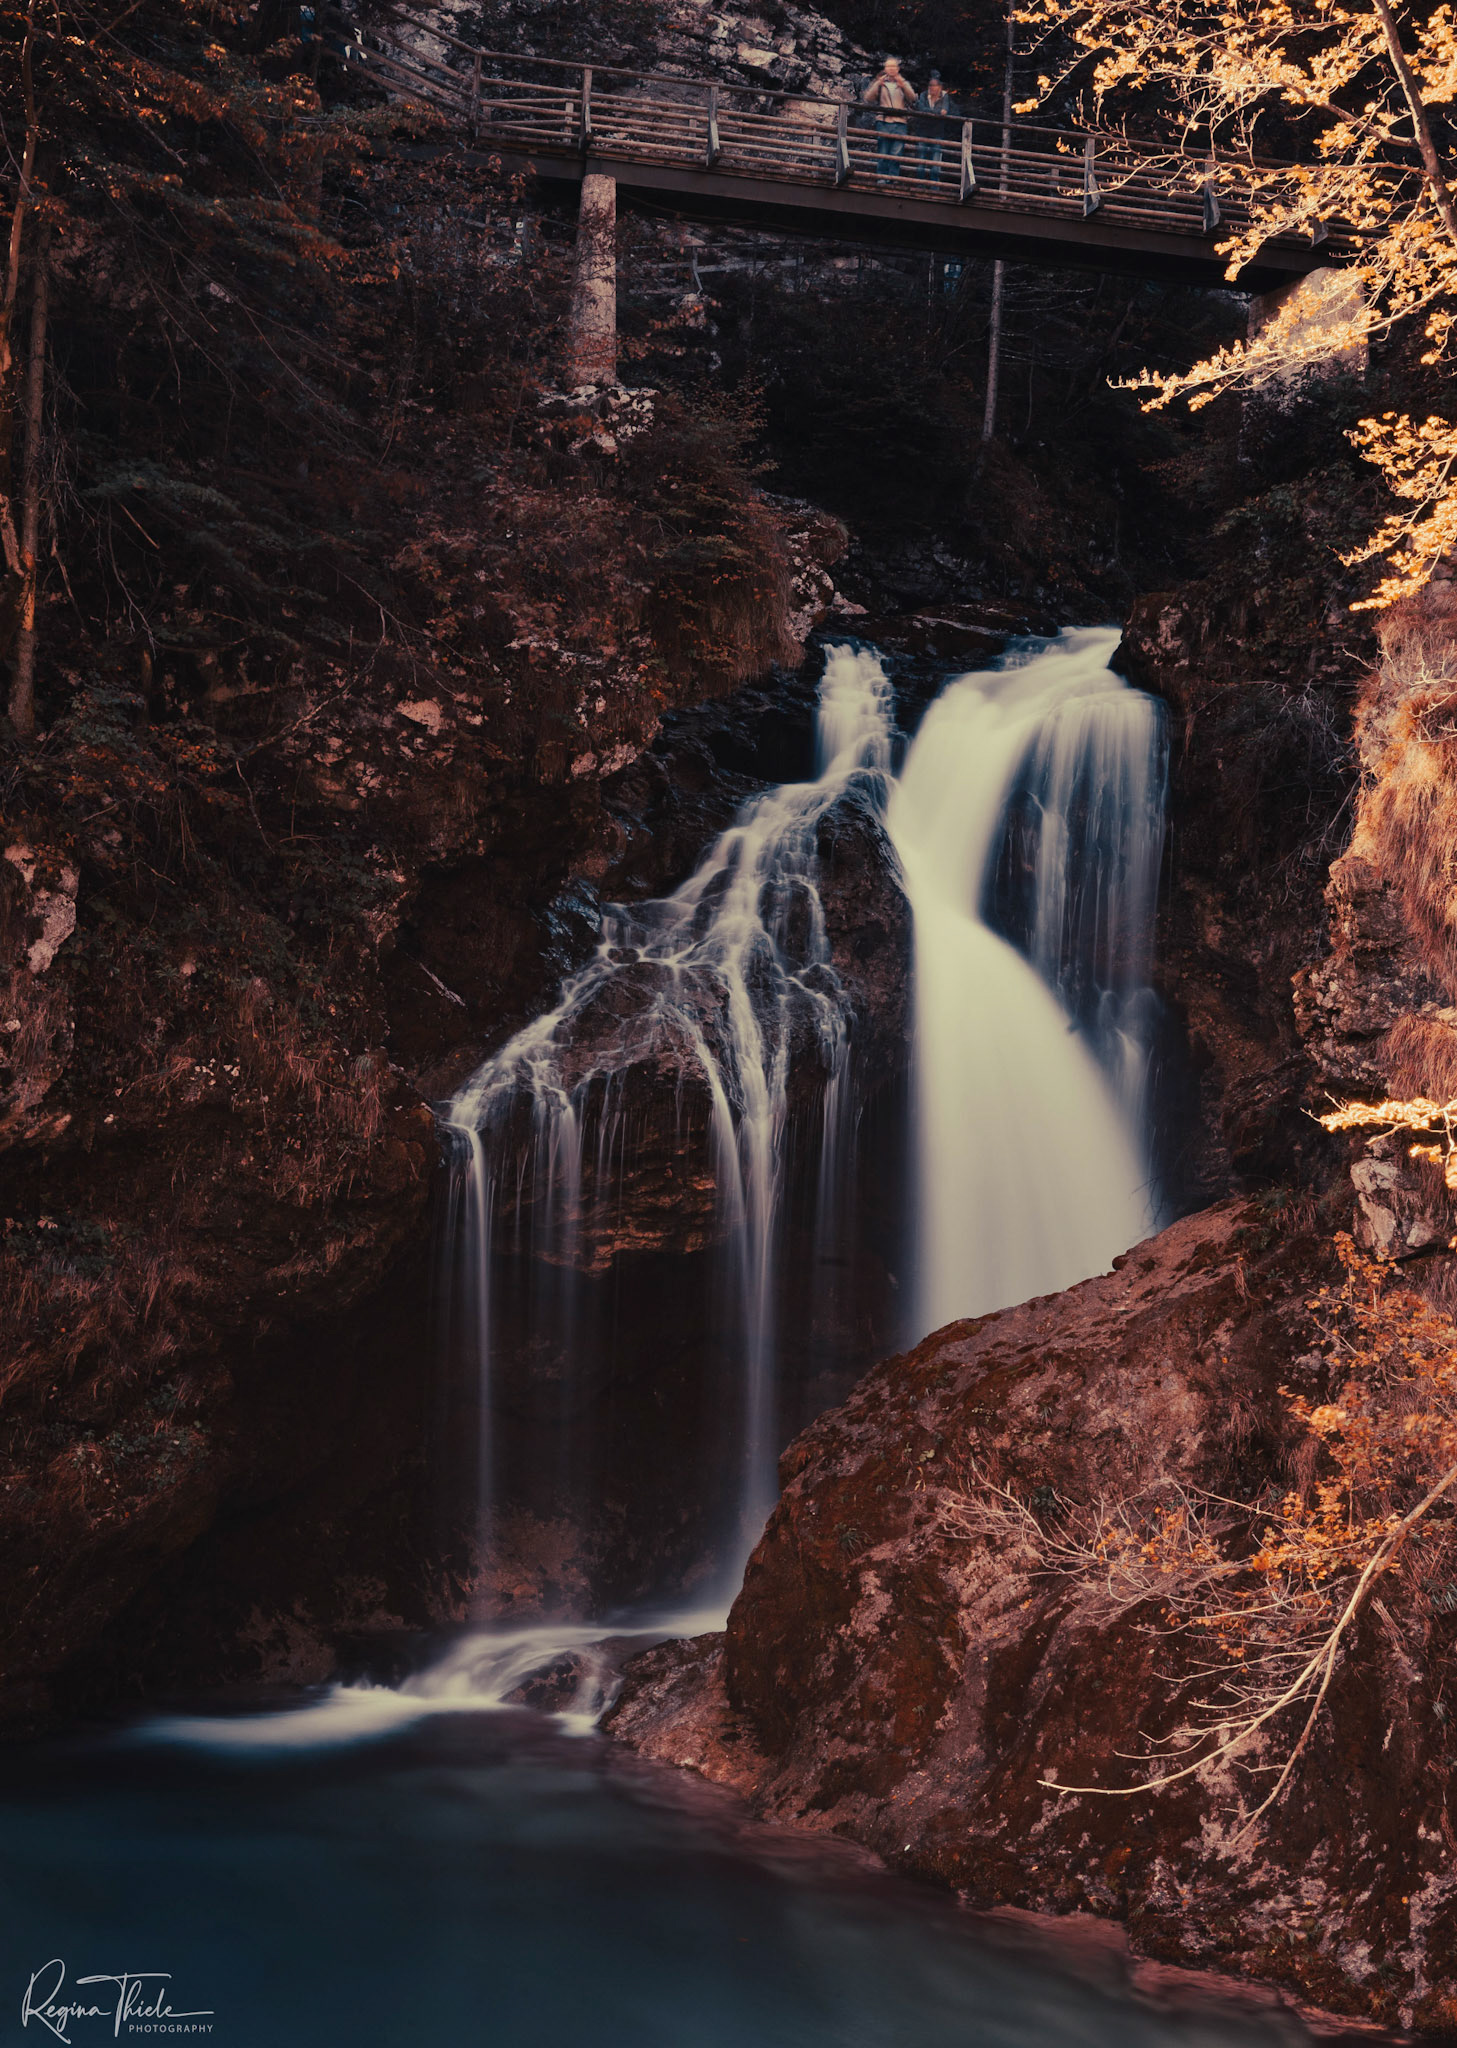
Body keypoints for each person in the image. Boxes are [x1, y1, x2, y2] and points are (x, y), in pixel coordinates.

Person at [861, 58, 916, 181]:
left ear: (898, 69)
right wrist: (877, 84)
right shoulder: (880, 83)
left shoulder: (903, 83)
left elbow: (912, 98)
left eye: (893, 66)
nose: (891, 69)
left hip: (900, 122)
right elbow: (868, 98)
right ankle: (882, 178)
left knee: (897, 153)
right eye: (888, 66)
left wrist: (903, 85)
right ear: (885, 69)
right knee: (883, 152)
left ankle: (893, 179)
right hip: (883, 121)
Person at [913, 71, 960, 187]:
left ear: (940, 87)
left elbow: (945, 111)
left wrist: (934, 113)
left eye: (935, 86)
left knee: (936, 162)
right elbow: (922, 109)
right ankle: (920, 185)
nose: (933, 88)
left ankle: (934, 187)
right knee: (921, 160)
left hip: (937, 132)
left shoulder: (944, 96)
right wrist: (937, 113)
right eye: (931, 86)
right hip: (923, 131)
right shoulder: (923, 95)